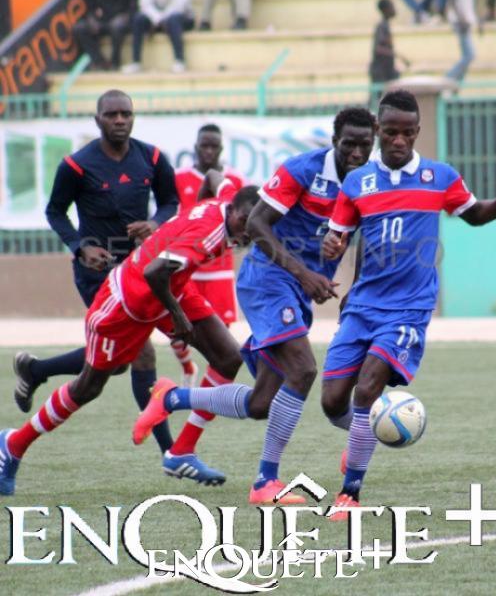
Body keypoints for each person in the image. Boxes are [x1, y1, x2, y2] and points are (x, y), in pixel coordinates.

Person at [132, 107, 377, 505]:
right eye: (349, 143)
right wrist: (305, 274)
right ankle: (265, 482)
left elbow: (368, 235)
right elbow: (257, 225)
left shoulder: (369, 182)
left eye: (365, 144)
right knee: (303, 369)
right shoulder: (302, 170)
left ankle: (172, 398)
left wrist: (355, 286)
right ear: (335, 140)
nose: (357, 152)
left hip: (298, 288)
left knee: (261, 403)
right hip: (268, 279)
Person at [319, 90, 496, 520]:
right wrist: (332, 247)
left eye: (408, 133)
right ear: (379, 130)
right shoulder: (357, 182)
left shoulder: (440, 177)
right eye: (391, 132)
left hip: (409, 308)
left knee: (368, 388)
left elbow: (474, 214)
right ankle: (364, 435)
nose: (399, 140)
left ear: (418, 132)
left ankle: (350, 493)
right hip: (363, 305)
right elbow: (338, 238)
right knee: (331, 401)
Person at [0, 177, 260, 496]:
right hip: (127, 303)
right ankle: (14, 443)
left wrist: (199, 204)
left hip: (170, 288)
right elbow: (154, 271)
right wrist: (177, 314)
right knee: (89, 387)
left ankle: (181, 451)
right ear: (231, 209)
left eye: (254, 224)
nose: (248, 230)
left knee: (228, 358)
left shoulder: (230, 200)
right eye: (244, 221)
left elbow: (214, 178)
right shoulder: (207, 234)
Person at [12, 90, 178, 457]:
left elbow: (171, 202)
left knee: (115, 362)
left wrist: (154, 223)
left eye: (126, 114)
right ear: (97, 119)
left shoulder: (151, 157)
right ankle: (171, 453)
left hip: (136, 271)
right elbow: (55, 212)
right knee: (140, 353)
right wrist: (80, 247)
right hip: (96, 273)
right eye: (112, 114)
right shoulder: (76, 165)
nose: (119, 120)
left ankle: (36, 370)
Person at [169, 124, 245, 468]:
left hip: (219, 272)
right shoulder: (179, 177)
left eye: (215, 146)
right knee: (179, 335)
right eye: (204, 145)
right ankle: (188, 369)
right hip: (184, 269)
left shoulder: (234, 180)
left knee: (222, 346)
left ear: (221, 148)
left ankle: (200, 401)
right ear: (196, 146)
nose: (209, 151)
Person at [122, 0, 192, 73]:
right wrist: (157, 19)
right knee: (138, 19)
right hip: (155, 19)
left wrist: (162, 19)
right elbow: (145, 4)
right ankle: (136, 62)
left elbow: (179, 6)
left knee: (174, 19)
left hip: (180, 17)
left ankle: (179, 60)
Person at [73, 0, 137, 70]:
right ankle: (100, 61)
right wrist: (92, 19)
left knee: (117, 27)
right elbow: (90, 7)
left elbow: (133, 9)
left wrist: (124, 17)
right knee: (79, 28)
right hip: (101, 21)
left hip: (120, 20)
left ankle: (115, 62)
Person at [369, 0, 410, 106]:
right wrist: (398, 56)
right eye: (392, 6)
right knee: (377, 100)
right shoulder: (381, 26)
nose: (394, 9)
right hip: (380, 71)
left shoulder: (386, 25)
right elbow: (378, 48)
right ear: (385, 9)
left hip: (387, 70)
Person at [445, 0, 477, 82]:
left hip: (465, 22)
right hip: (461, 23)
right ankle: (448, 78)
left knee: (467, 56)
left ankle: (456, 82)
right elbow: (452, 2)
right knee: (469, 55)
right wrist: (462, 19)